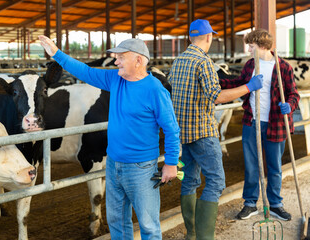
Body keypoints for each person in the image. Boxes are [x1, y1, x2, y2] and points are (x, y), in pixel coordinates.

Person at [38, 35, 180, 239]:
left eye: (121, 57)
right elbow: (85, 72)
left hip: (141, 168)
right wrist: (57, 54)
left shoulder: (155, 90)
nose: (116, 61)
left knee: (148, 225)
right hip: (114, 164)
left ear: (138, 60)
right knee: (117, 222)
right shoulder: (115, 80)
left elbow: (172, 129)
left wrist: (171, 163)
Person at [168, 19, 263, 240]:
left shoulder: (178, 61)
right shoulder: (204, 63)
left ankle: (191, 234)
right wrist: (249, 87)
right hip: (202, 131)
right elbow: (217, 96)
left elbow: (172, 90)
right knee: (216, 181)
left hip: (182, 133)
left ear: (191, 37)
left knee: (190, 181)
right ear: (209, 37)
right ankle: (205, 237)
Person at [220, 29, 300, 221]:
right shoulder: (250, 65)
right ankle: (250, 203)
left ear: (262, 47)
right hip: (252, 122)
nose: (248, 49)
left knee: (274, 167)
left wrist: (289, 105)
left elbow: (294, 94)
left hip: (276, 123)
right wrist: (217, 82)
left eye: (251, 46)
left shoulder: (283, 67)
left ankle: (275, 204)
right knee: (251, 166)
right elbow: (238, 82)